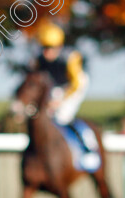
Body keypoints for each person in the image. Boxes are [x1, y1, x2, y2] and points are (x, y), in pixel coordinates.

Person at [30, 21, 94, 151]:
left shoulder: (71, 57)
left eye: (50, 47)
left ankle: (86, 143)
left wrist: (60, 101)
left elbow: (76, 84)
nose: (46, 52)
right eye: (44, 48)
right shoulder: (38, 60)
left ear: (59, 46)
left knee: (62, 116)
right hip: (56, 86)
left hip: (75, 86)